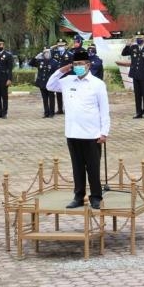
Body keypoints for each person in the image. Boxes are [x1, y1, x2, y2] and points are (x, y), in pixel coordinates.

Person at [46, 49, 110, 210]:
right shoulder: (68, 81)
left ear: (88, 65)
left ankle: (96, 197)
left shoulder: (97, 84)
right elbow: (49, 85)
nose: (78, 67)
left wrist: (104, 132)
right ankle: (78, 196)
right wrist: (63, 69)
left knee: (93, 168)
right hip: (72, 133)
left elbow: (104, 110)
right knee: (77, 167)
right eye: (75, 64)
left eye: (81, 64)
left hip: (92, 134)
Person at [121, 31, 144, 119]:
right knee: (137, 95)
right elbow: (124, 53)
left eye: (140, 38)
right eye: (137, 38)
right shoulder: (133, 47)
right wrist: (128, 45)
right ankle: (138, 112)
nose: (139, 39)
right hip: (135, 74)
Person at [29, 47, 59, 118]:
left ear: (50, 53)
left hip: (50, 83)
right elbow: (30, 64)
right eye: (45, 52)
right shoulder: (40, 61)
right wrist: (36, 57)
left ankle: (52, 113)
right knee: (44, 98)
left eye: (48, 52)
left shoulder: (54, 62)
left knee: (51, 98)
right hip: (42, 83)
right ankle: (46, 113)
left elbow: (57, 73)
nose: (46, 54)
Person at [51, 38, 72, 114]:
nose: (60, 47)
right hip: (58, 76)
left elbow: (72, 65)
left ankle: (68, 109)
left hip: (66, 76)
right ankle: (60, 109)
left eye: (62, 45)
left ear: (65, 46)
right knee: (58, 93)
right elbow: (48, 52)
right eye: (59, 45)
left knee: (67, 93)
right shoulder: (54, 53)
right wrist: (53, 47)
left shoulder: (70, 54)